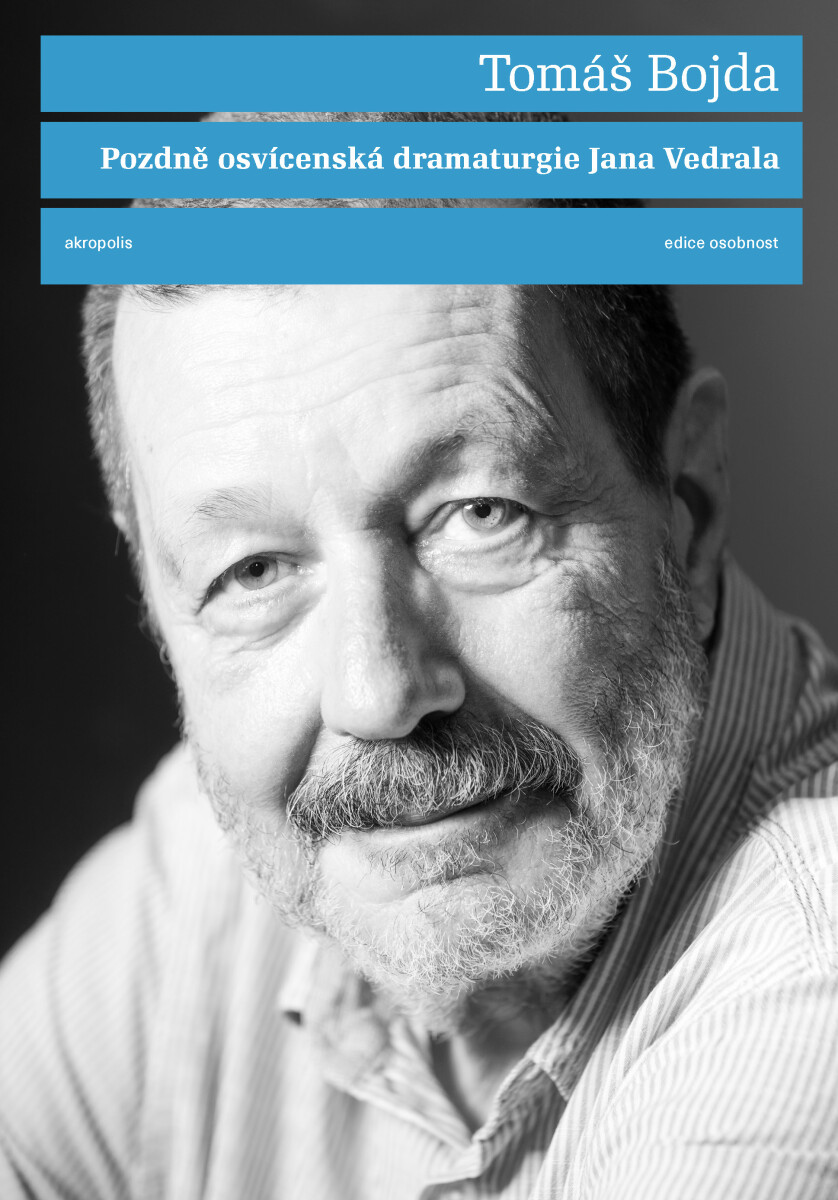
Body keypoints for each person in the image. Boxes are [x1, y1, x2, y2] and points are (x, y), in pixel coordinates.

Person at [1, 114, 836, 1200]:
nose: (377, 693)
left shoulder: (809, 981)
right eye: (253, 571)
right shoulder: (203, 876)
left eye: (479, 514)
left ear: (686, 504)